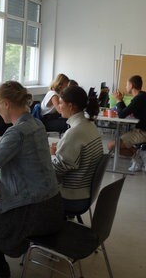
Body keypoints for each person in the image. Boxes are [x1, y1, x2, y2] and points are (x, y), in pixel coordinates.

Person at [0, 81, 64, 278]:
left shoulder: (15, 132)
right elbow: (17, 149)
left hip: (35, 213)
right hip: (53, 206)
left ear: (7, 104)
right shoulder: (36, 124)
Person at [50, 85, 103, 214]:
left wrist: (51, 155)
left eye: (61, 103)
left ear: (71, 106)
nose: (59, 106)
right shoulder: (89, 125)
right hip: (84, 192)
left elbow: (56, 171)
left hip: (72, 197)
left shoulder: (74, 132)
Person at [107, 75, 146, 160]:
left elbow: (121, 115)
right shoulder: (142, 96)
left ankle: (140, 155)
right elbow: (126, 111)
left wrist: (119, 100)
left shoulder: (139, 98)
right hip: (141, 130)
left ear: (131, 85)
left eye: (127, 85)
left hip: (143, 132)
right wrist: (120, 100)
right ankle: (139, 155)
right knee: (115, 144)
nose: (125, 87)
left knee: (111, 146)